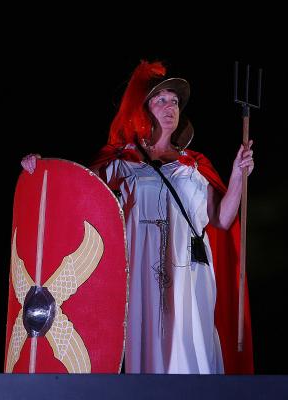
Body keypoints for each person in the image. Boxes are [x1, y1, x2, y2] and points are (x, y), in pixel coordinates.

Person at [22, 60, 255, 374]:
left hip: (187, 273)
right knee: (139, 344)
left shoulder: (194, 166)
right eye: (161, 100)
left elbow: (222, 219)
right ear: (143, 110)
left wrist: (239, 175)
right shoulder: (122, 163)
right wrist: (43, 169)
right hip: (138, 267)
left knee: (186, 348)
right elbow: (78, 191)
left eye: (174, 101)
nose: (170, 106)